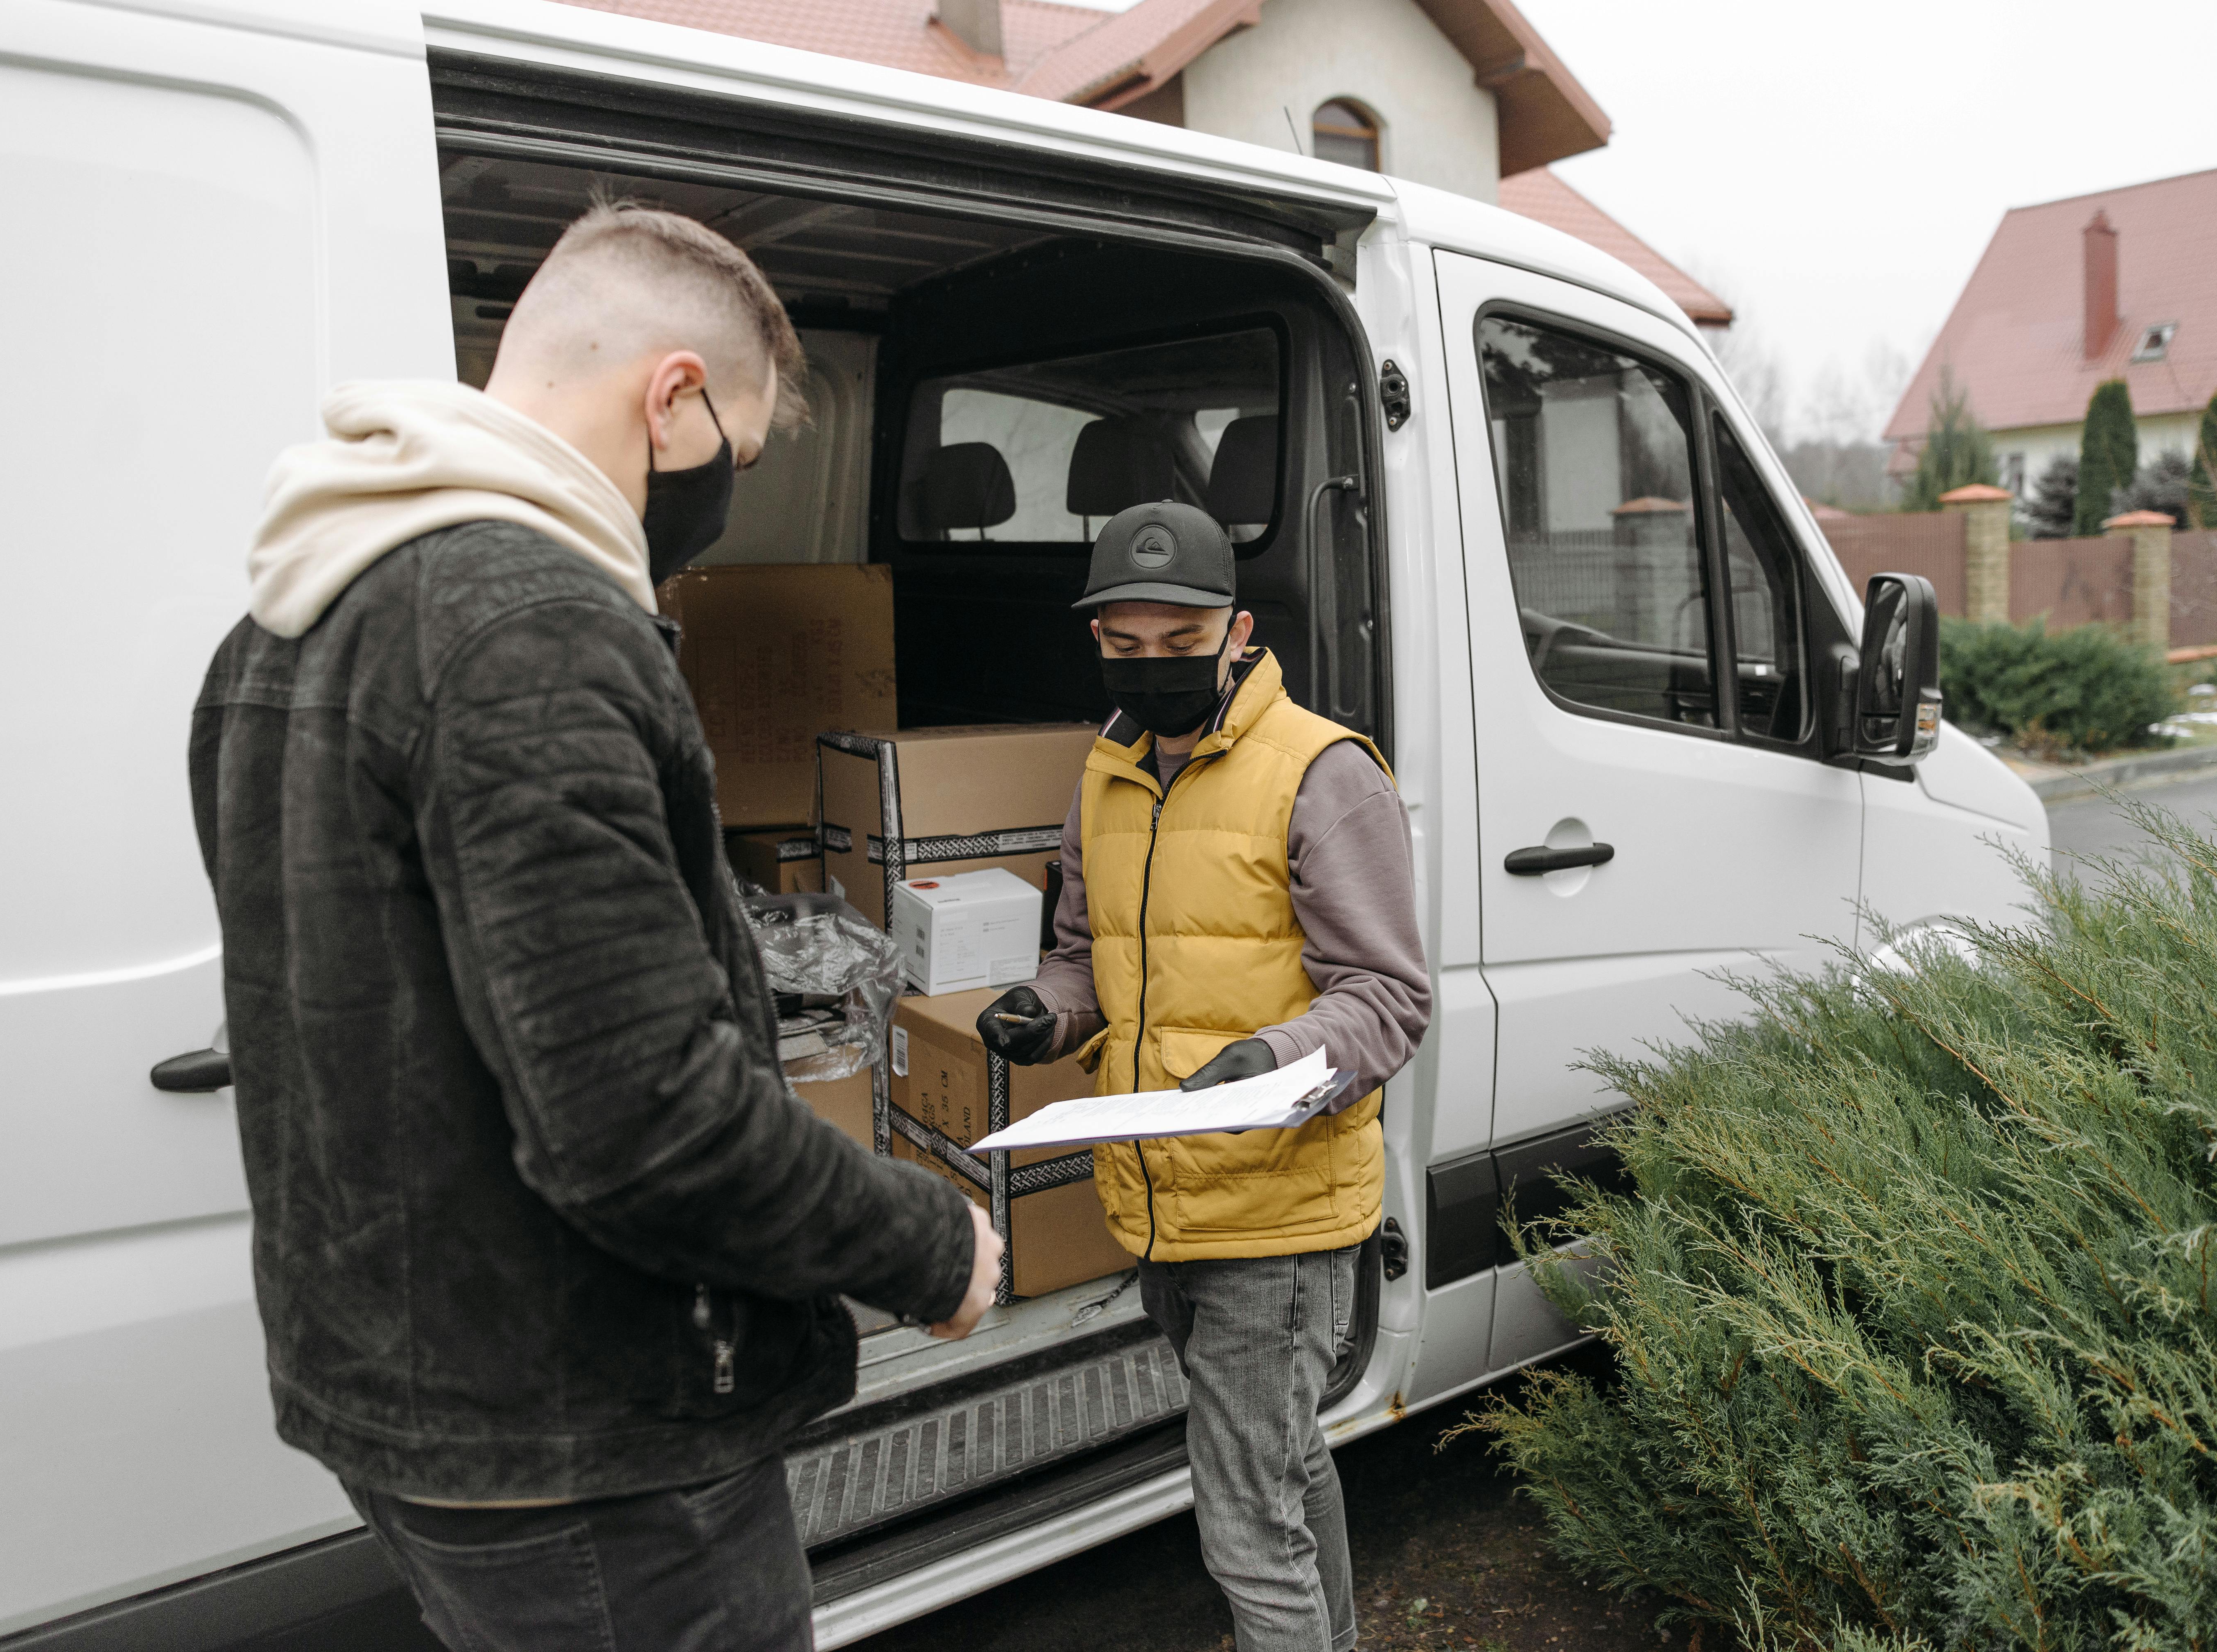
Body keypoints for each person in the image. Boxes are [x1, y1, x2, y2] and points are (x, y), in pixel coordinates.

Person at [188, 202, 1000, 1652]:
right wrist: (926, 1241)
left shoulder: (280, 626)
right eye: (739, 458)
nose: (725, 497)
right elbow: (644, 1123)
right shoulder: (534, 636)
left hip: (416, 1391)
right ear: (673, 397)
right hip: (594, 1431)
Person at [976, 501, 1431, 1652]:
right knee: (1283, 1472)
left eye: (1179, 649)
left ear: (1236, 632)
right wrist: (1049, 1010)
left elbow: (1390, 997)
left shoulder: (1322, 773)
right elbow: (1091, 958)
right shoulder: (1109, 768)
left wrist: (1269, 1060)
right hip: (1161, 1200)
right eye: (1124, 651)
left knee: (1244, 1522)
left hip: (1274, 1214)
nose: (1153, 673)